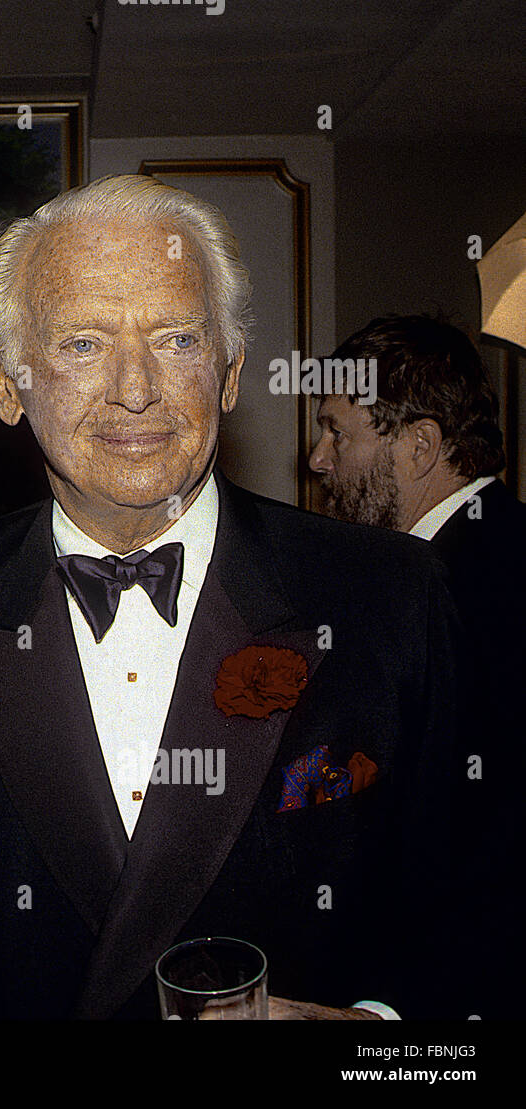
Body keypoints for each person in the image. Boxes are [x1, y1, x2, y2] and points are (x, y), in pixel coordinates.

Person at [0, 174, 465, 1020]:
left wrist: (373, 1040)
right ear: (7, 384)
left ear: (229, 371)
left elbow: (476, 911)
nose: (136, 387)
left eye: (177, 338)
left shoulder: (389, 595)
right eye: (83, 343)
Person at [309, 314, 525, 1018]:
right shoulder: (457, 564)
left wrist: (384, 1012)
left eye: (337, 431)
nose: (317, 458)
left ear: (422, 444)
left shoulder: (472, 587)